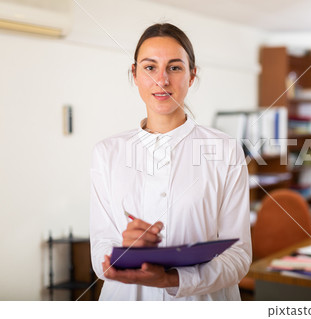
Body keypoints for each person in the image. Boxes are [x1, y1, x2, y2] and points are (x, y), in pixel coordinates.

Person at [89, 23, 251, 301]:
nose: (161, 80)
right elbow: (99, 255)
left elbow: (238, 257)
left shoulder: (225, 150)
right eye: (150, 67)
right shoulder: (107, 152)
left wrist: (171, 279)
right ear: (135, 74)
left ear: (191, 76)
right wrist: (124, 253)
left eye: (174, 68)